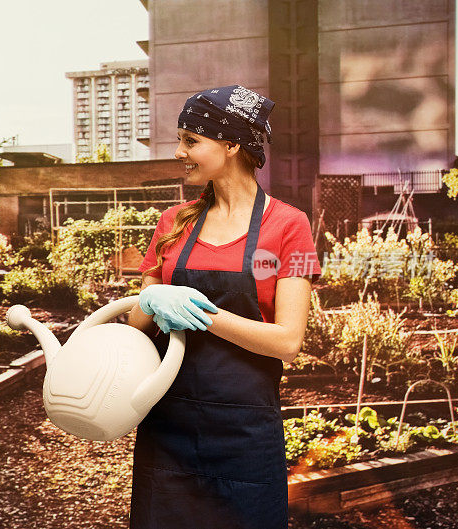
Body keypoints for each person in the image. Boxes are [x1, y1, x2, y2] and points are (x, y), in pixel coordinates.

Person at [126, 85, 322, 529]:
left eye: (190, 140)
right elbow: (136, 326)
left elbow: (287, 342)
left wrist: (203, 313)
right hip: (167, 425)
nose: (179, 152)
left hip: (245, 435)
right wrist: (151, 299)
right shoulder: (174, 221)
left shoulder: (290, 225)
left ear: (232, 143)